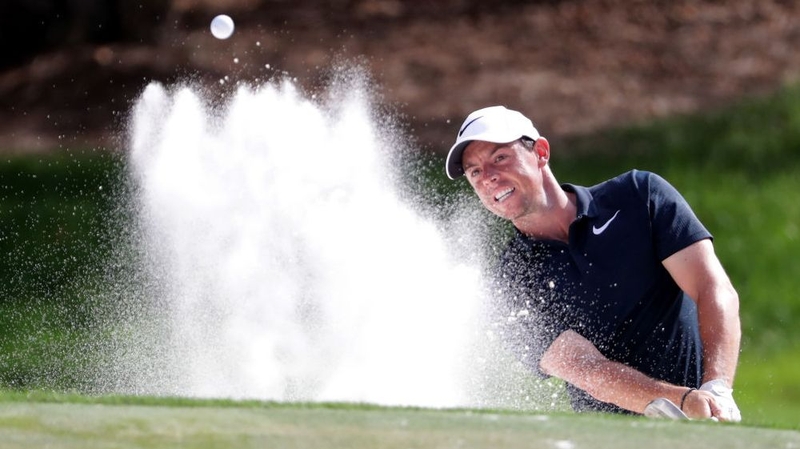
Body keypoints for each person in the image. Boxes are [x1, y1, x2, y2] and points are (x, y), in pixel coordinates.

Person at [445, 105, 742, 421]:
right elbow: (588, 370)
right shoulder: (507, 285)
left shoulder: (638, 196)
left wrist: (717, 389)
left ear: (541, 152)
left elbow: (712, 287)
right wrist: (680, 401)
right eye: (474, 171)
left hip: (706, 415)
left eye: (499, 158)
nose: (488, 177)